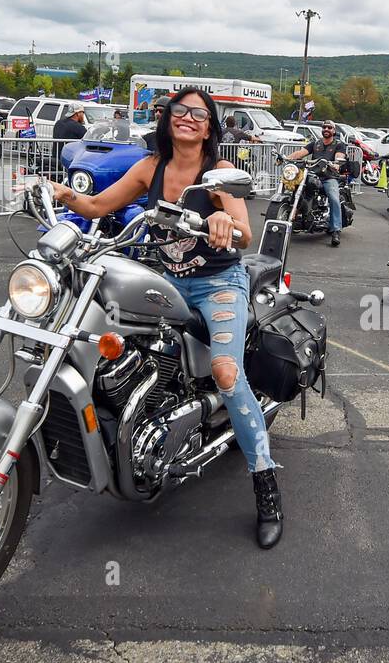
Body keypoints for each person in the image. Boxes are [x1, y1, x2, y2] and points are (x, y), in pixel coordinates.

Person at [50, 88, 284, 549]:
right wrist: (59, 194)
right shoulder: (149, 168)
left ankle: (265, 482)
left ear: (210, 127)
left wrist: (224, 226)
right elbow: (98, 207)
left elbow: (243, 231)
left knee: (226, 373)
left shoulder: (215, 175)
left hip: (219, 284)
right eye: (181, 110)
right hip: (169, 280)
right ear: (167, 118)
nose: (189, 118)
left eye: (200, 114)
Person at [286, 120, 347, 246]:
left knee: (334, 198)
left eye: (329, 127)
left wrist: (336, 164)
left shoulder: (339, 145)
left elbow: (339, 157)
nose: (326, 129)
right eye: (324, 127)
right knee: (297, 190)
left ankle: (336, 230)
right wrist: (286, 158)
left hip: (329, 177)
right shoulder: (316, 143)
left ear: (334, 131)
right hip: (313, 175)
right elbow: (300, 153)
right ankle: (295, 217)